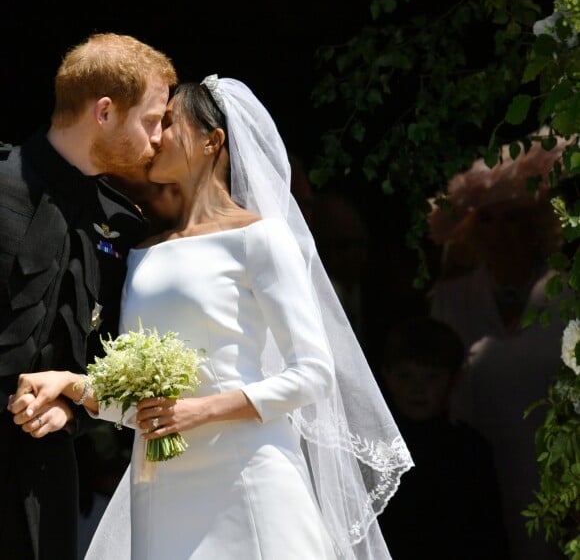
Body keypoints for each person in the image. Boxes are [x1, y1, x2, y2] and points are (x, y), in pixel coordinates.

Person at [10, 76, 414, 559]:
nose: (154, 137)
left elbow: (313, 374)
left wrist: (197, 411)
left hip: (248, 473)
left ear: (212, 141)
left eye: (168, 123)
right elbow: (147, 407)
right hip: (160, 487)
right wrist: (72, 385)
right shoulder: (141, 250)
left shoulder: (259, 239)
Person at [0, 32, 177, 560]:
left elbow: (107, 359)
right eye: (151, 120)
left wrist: (71, 413)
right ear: (104, 111)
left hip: (45, 476)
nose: (160, 138)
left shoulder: (124, 226)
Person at [427, 132, 574, 560]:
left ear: (534, 222)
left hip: (557, 469)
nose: (500, 232)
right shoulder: (452, 298)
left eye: (511, 218)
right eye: (487, 220)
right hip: (479, 472)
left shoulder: (567, 292)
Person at [377, 316, 510, 559]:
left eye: (431, 377)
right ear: (387, 376)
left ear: (454, 379)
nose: (418, 388)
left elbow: (489, 535)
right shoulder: (374, 450)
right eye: (406, 376)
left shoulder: (470, 450)